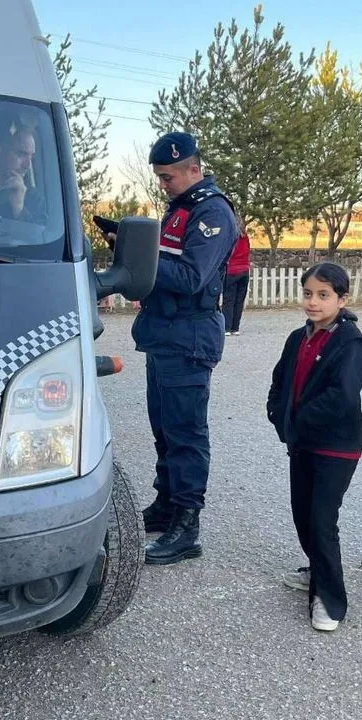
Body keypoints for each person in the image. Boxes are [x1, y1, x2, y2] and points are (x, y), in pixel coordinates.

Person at [133, 131, 240, 565]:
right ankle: (167, 505)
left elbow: (191, 276)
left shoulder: (212, 212)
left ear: (193, 170)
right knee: (164, 428)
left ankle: (187, 526)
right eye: (159, 177)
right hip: (164, 333)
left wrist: (140, 261)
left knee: (186, 434)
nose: (163, 184)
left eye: (168, 177)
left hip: (188, 335)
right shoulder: (180, 209)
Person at [267, 263, 362, 632]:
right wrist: (276, 411)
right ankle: (317, 567)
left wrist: (298, 421)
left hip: (336, 446)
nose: (313, 302)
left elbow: (342, 396)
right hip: (302, 443)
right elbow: (281, 377)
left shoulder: (350, 343)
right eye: (308, 294)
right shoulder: (299, 337)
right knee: (302, 514)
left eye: (323, 295)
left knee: (320, 519)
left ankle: (329, 599)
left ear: (342, 299)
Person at [223, 228, 252, 336]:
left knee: (229, 300)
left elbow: (227, 253)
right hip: (244, 270)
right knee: (239, 301)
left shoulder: (230, 237)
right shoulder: (245, 237)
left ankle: (227, 327)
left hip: (232, 270)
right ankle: (235, 328)